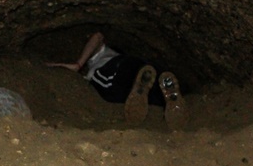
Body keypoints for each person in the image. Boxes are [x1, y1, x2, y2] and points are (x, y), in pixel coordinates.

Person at [47, 32, 188, 129]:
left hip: (115, 67)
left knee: (110, 88)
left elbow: (97, 36)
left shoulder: (102, 54)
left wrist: (78, 64)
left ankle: (145, 91)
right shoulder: (122, 57)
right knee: (149, 90)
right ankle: (171, 100)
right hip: (137, 65)